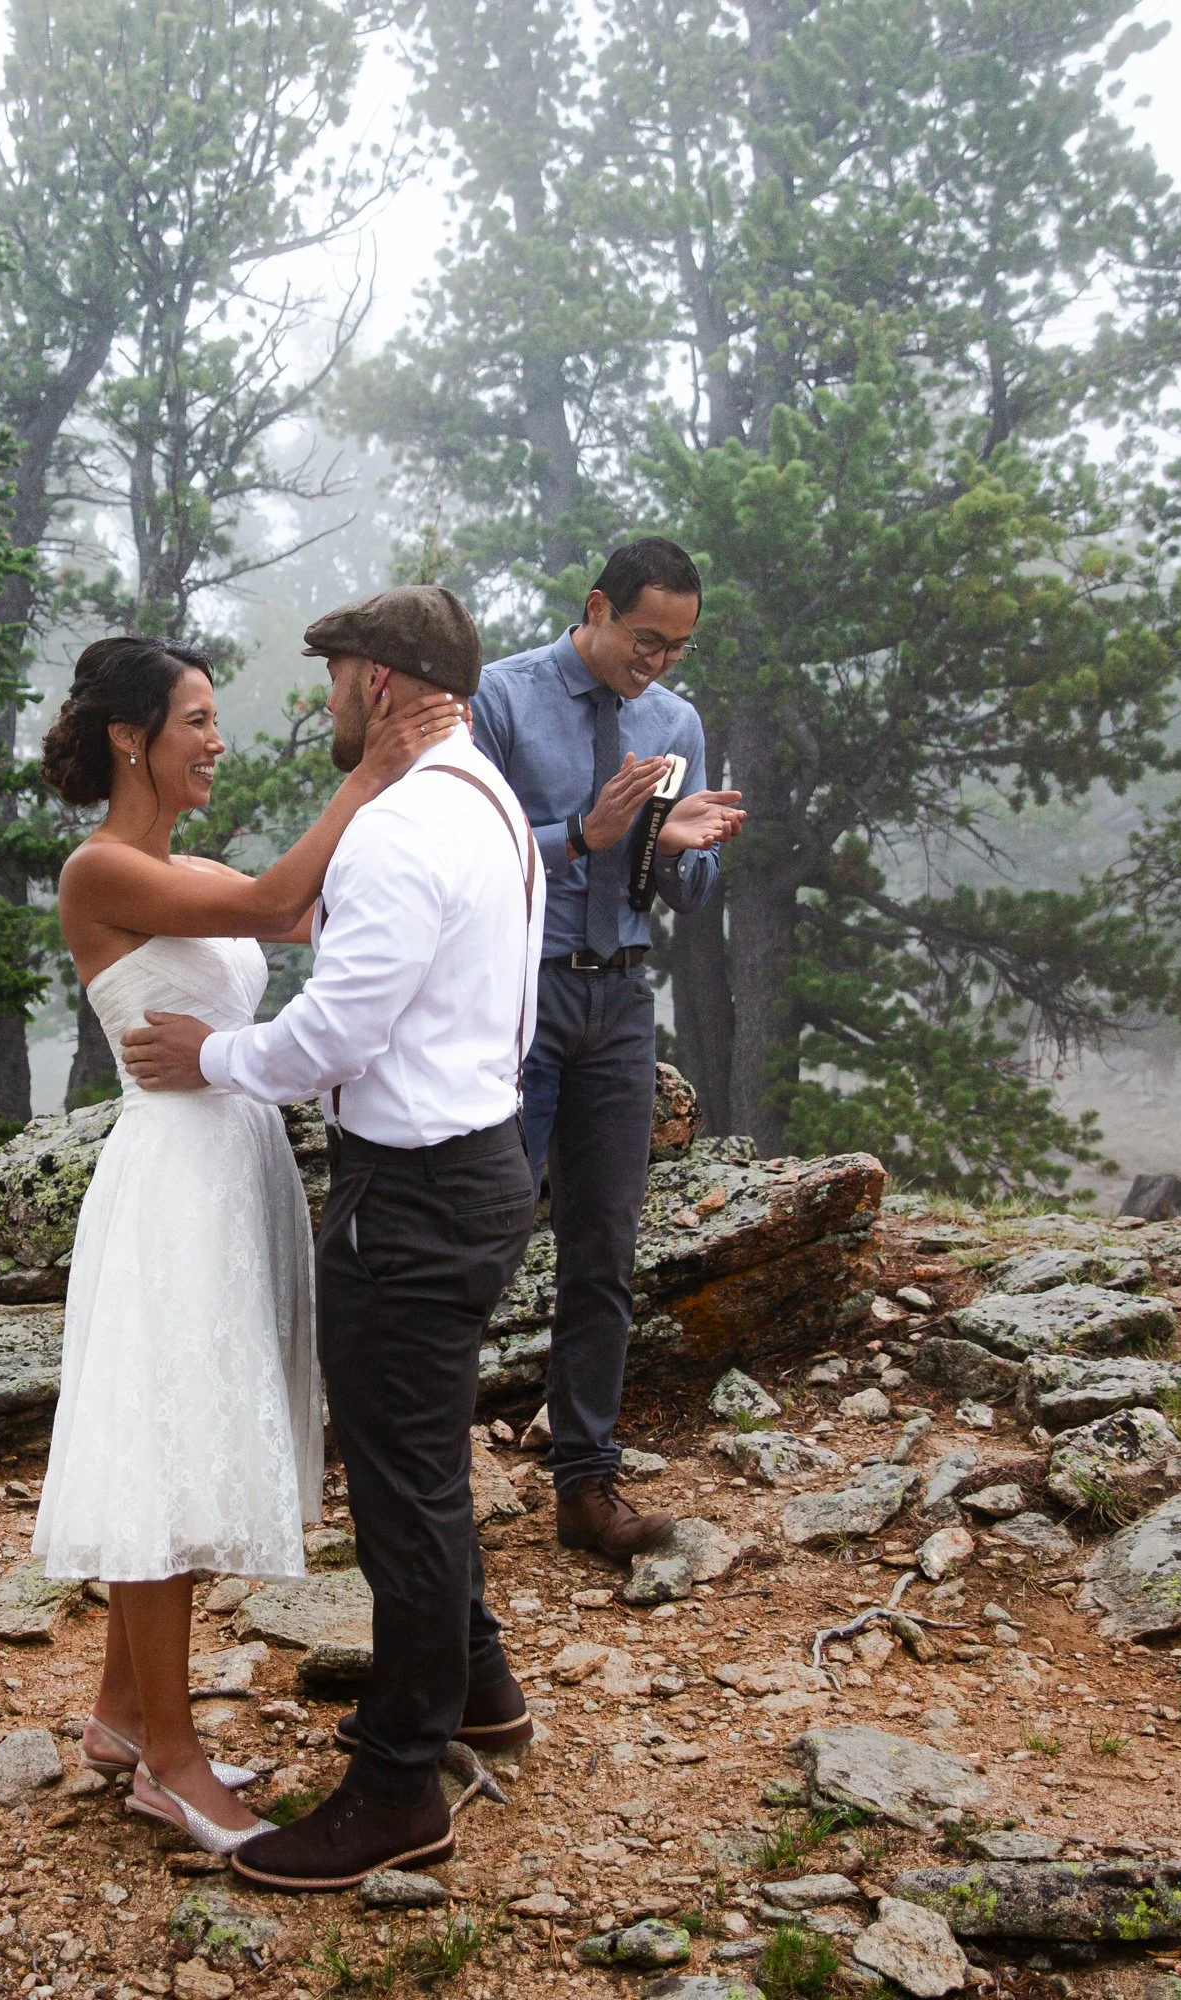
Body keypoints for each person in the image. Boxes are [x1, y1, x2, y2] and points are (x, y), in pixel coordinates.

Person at [119, 585, 547, 1893]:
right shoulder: (488, 801)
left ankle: (397, 1789)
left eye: (334, 677)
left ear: (381, 681)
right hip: (483, 1161)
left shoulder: (405, 825)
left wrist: (211, 1056)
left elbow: (335, 1035)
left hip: (413, 1195)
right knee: (424, 1462)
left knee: (403, 1497)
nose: (326, 702)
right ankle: (479, 1688)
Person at [28, 633, 462, 1860]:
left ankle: (121, 1714)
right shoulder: (97, 871)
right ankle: (169, 1767)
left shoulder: (193, 866)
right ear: (131, 738)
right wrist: (365, 771)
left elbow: (318, 906)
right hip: (172, 1182)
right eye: (198, 720)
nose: (217, 741)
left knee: (187, 1435)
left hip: (236, 1168)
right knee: (163, 1453)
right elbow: (278, 905)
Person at [470, 536, 745, 1563]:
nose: (657, 663)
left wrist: (679, 846)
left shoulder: (675, 724)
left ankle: (585, 1485)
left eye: (676, 647)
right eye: (644, 640)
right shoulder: (500, 699)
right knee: (485, 1232)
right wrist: (586, 833)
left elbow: (687, 894)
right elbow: (471, 858)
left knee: (604, 1251)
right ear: (594, 608)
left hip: (621, 997)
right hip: (518, 996)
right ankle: (426, 1472)